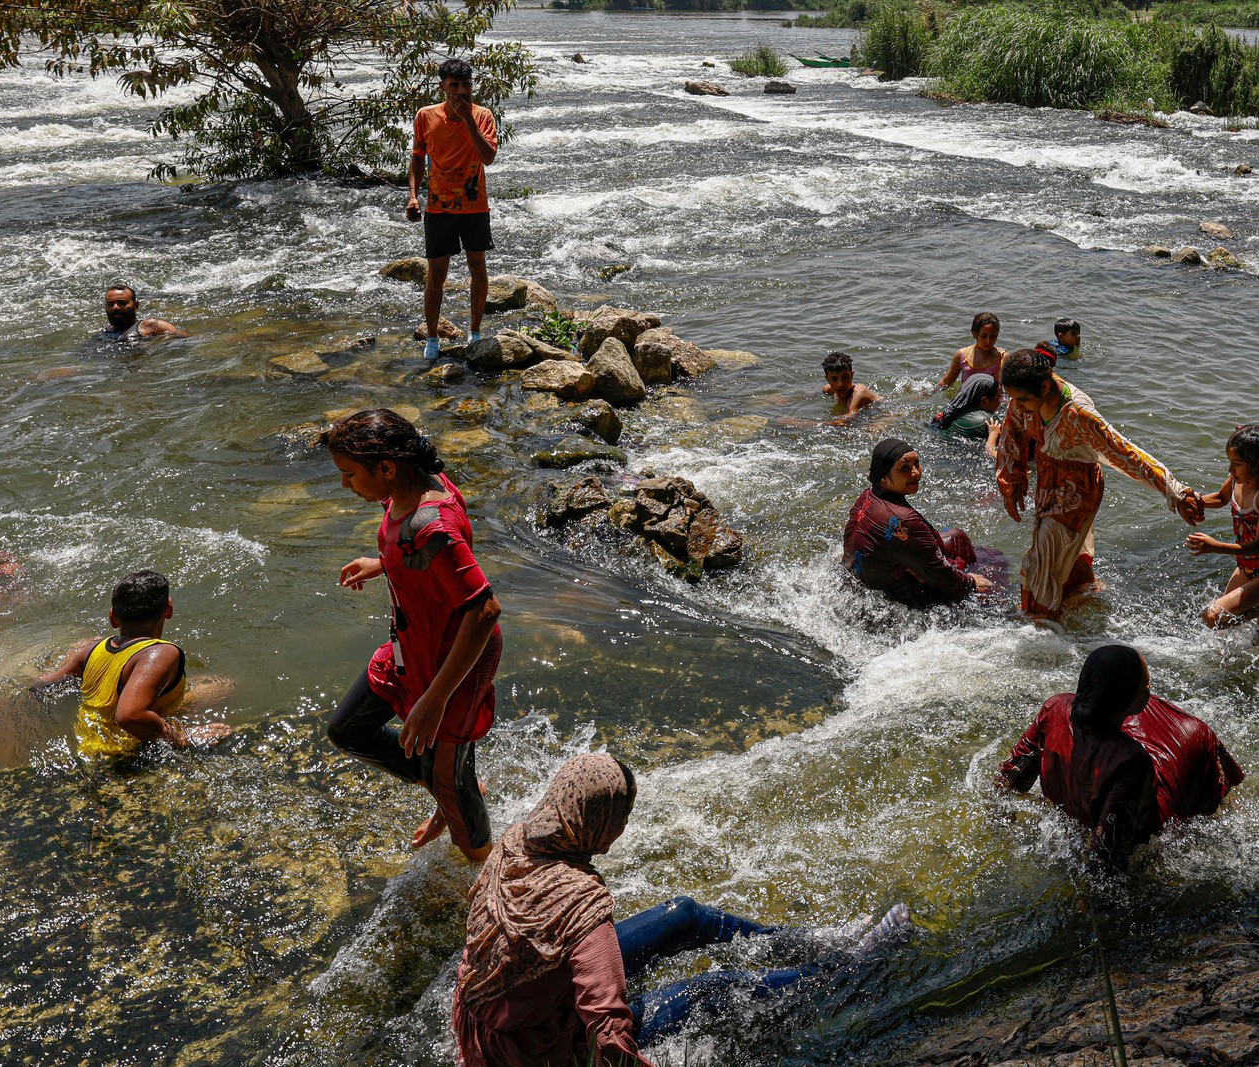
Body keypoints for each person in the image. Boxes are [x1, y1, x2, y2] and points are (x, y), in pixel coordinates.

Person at [453, 753, 913, 1065]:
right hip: (543, 1050)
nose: (624, 827)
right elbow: (607, 1029)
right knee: (720, 988)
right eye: (622, 816)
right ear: (599, 822)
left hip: (511, 1012)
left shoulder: (515, 843)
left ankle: (807, 942)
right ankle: (845, 970)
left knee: (684, 914)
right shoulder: (580, 903)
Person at [323, 408, 502, 863]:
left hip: (455, 656)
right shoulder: (404, 489)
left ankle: (486, 863)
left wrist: (435, 699)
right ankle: (456, 787)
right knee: (348, 728)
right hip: (411, 645)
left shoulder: (431, 523)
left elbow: (483, 610)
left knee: (445, 775)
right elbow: (425, 559)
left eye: (349, 475)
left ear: (386, 468)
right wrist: (384, 563)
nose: (345, 485)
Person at [995, 348, 1202, 618]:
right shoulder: (1026, 397)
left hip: (1076, 493)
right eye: (1013, 399)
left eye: (1021, 400)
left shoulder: (1079, 414)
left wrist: (1175, 493)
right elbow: (1012, 432)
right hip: (1048, 483)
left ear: (1045, 387)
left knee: (1040, 562)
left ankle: (1042, 623)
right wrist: (1012, 484)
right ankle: (1086, 599)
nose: (1016, 406)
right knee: (1064, 556)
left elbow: (1127, 454)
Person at [996, 644, 1244, 869]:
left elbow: (1007, 782)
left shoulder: (1055, 708)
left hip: (1076, 810)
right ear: (1132, 701)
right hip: (1153, 817)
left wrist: (1002, 828)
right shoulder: (1132, 762)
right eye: (1146, 684)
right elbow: (1105, 858)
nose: (1150, 688)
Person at [32, 570, 233, 757]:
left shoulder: (92, 649)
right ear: (169, 609)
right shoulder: (161, 653)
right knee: (221, 686)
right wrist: (183, 736)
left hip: (87, 745)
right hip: (123, 753)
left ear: (113, 617)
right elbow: (130, 716)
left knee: (201, 686)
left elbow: (41, 685)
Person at [408, 58, 499, 362]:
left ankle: (474, 331)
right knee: (436, 273)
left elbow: (488, 157)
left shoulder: (483, 115)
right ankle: (432, 337)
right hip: (438, 207)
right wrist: (412, 196)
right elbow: (418, 157)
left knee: (477, 267)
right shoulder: (426, 116)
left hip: (474, 206)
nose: (462, 91)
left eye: (466, 85)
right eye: (455, 86)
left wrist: (469, 121)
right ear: (443, 87)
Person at [843, 438, 1000, 607]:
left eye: (916, 463)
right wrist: (971, 582)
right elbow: (940, 575)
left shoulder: (867, 495)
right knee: (994, 567)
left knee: (956, 538)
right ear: (883, 478)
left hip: (858, 582)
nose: (916, 473)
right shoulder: (904, 521)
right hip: (892, 599)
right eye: (904, 468)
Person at [1185, 424, 1259, 630]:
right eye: (1230, 462)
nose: (1230, 470)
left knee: (1212, 617)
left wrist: (1214, 547)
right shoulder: (1238, 478)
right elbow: (1221, 498)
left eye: (1237, 464)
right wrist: (1194, 502)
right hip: (1246, 566)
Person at [937, 312, 1005, 388]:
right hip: (967, 398)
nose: (988, 341)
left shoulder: (1002, 357)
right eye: (984, 336)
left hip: (992, 399)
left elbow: (1010, 387)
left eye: (993, 336)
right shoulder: (962, 356)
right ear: (974, 334)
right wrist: (927, 394)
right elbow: (946, 382)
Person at [101, 285, 186, 341]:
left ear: (136, 305)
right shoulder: (105, 332)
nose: (115, 307)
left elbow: (183, 338)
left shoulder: (151, 326)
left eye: (122, 303)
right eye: (110, 304)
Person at [931, 374, 1001, 440]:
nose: (1000, 403)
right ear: (984, 401)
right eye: (999, 398)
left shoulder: (948, 412)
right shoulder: (988, 421)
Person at [821, 351, 879, 423]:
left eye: (845, 377)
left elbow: (850, 416)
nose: (840, 384)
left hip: (882, 413)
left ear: (852, 375)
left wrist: (811, 424)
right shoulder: (828, 389)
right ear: (827, 379)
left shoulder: (859, 392)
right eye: (834, 379)